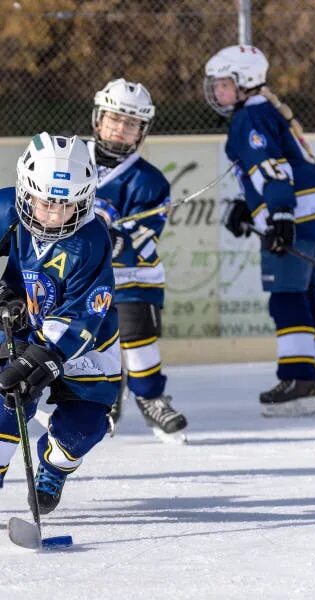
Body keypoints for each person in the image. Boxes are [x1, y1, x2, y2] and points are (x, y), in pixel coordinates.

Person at [0, 133, 120, 524]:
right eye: (44, 201)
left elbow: (86, 313)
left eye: (65, 205)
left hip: (86, 346)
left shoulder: (91, 239)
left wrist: (44, 357)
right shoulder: (5, 208)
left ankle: (53, 468)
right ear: (26, 191)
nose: (53, 214)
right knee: (8, 398)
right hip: (19, 325)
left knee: (83, 428)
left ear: (83, 200)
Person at [206, 45, 315, 417]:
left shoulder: (249, 119)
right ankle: (313, 376)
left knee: (287, 297)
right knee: (312, 296)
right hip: (313, 214)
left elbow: (274, 170)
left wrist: (281, 216)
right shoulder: (267, 110)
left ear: (245, 82)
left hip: (296, 216)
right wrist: (248, 205)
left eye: (223, 84)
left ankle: (298, 379)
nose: (217, 92)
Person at [89, 78, 188, 443]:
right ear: (98, 118)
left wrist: (118, 240)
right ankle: (101, 398)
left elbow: (146, 238)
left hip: (132, 275)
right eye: (115, 119)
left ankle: (150, 397)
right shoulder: (69, 158)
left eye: (130, 123)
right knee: (86, 339)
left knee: (137, 336)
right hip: (81, 277)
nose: (120, 128)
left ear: (142, 131)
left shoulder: (151, 182)